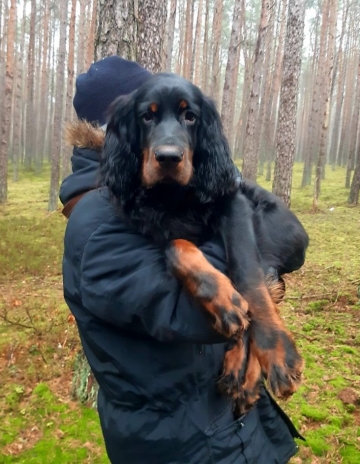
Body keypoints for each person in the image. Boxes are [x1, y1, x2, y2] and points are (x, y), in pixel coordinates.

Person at [60, 56, 306, 464]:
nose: (168, 138)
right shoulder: (97, 223)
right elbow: (192, 314)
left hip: (225, 426)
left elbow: (287, 233)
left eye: (184, 117)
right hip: (178, 443)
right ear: (122, 130)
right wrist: (244, 266)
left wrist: (256, 273)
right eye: (150, 116)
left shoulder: (173, 196)